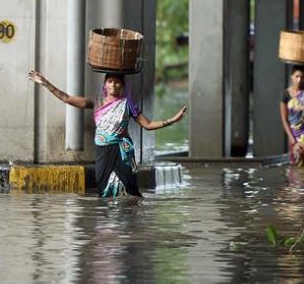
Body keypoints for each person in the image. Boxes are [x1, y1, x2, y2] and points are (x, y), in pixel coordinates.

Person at [28, 69, 187, 198]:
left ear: (122, 86)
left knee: (129, 190)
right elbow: (67, 98)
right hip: (103, 151)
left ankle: (130, 225)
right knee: (104, 189)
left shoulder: (127, 104)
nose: (114, 85)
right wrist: (46, 83)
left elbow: (148, 124)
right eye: (110, 81)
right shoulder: (96, 102)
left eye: (117, 82)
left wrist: (173, 120)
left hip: (122, 152)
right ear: (105, 84)